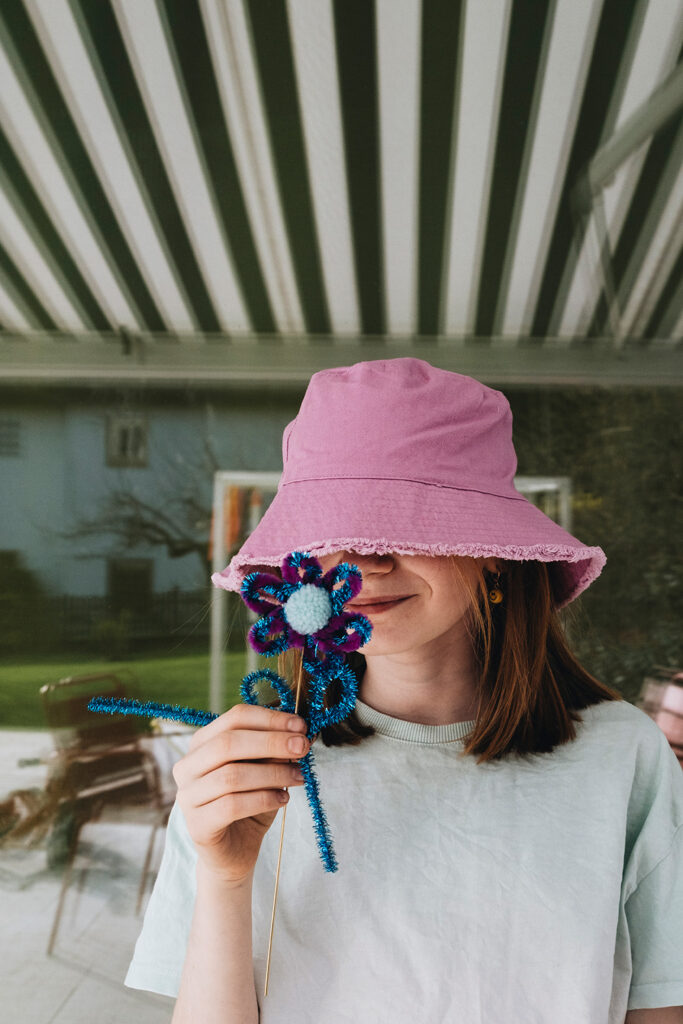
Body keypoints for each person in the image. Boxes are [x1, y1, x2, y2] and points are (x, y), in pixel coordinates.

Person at [124, 358, 683, 1023]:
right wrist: (224, 877)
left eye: (408, 525)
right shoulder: (240, 772)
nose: (364, 561)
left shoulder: (623, 760)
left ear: (495, 550)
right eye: (333, 532)